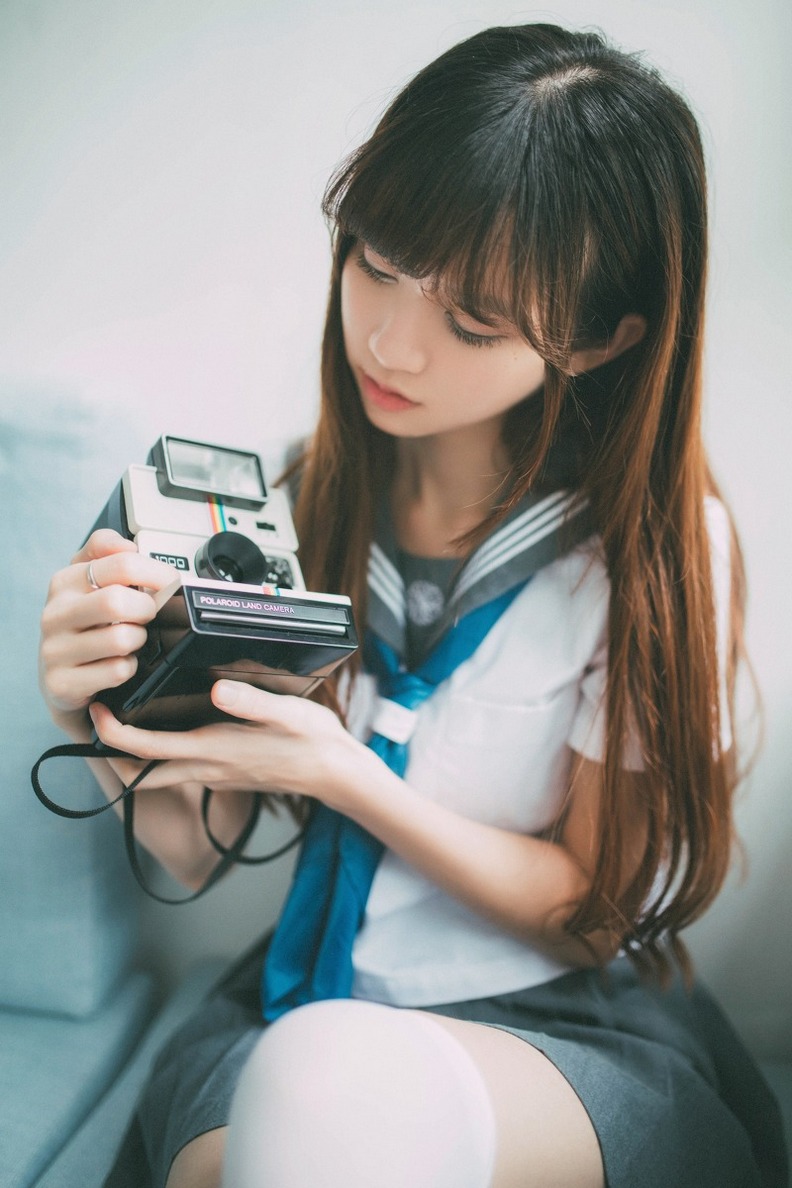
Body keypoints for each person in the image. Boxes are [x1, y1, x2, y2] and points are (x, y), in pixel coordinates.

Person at [38, 22, 787, 1188]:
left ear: (601, 340)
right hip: (300, 999)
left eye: (473, 323)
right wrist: (104, 718)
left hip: (549, 1024)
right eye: (375, 262)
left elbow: (594, 913)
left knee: (324, 1087)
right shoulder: (289, 503)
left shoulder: (656, 552)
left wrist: (341, 774)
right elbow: (188, 859)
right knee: (298, 1095)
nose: (390, 340)